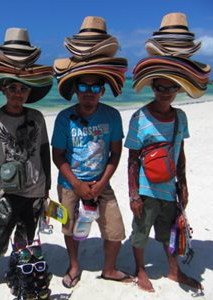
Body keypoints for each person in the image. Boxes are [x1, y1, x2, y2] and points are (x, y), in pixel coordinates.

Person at [0, 28, 53, 299]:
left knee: (27, 236)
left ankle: (20, 271)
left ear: (29, 91)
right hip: (5, 192)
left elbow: (44, 153)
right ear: (3, 88)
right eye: (13, 88)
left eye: (23, 88)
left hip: (35, 189)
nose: (18, 93)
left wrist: (47, 188)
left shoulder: (38, 118)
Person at [52, 74, 132, 288]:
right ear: (76, 90)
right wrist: (77, 184)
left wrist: (102, 183)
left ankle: (109, 269)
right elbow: (57, 155)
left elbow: (115, 154)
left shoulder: (112, 116)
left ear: (102, 91)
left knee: (115, 230)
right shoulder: (64, 118)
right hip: (70, 183)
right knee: (68, 226)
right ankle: (74, 266)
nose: (89, 92)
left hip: (101, 182)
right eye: (83, 86)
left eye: (95, 87)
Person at [125, 78, 203, 292]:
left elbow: (180, 152)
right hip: (146, 188)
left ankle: (173, 270)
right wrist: (133, 194)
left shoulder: (180, 117)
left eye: (172, 88)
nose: (166, 92)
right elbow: (133, 159)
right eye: (160, 87)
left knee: (170, 233)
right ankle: (140, 270)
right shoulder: (139, 117)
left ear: (178, 89)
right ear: (153, 88)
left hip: (170, 189)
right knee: (140, 232)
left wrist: (183, 184)